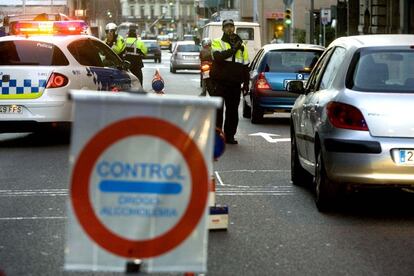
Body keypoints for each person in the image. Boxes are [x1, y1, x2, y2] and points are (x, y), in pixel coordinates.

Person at [210, 19, 249, 144]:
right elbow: (218, 57)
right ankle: (217, 135)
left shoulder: (242, 46)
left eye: (231, 26)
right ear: (223, 29)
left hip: (234, 84)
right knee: (218, 110)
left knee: (232, 112)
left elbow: (245, 67)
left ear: (234, 28)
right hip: (219, 83)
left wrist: (246, 84)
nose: (229, 29)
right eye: (226, 26)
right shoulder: (217, 42)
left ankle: (229, 136)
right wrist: (233, 49)